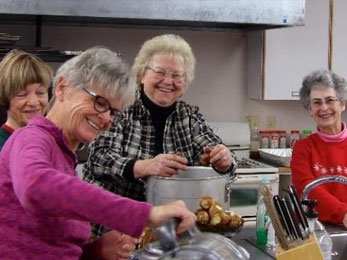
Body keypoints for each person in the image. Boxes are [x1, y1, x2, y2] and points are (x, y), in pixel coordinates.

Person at [0, 46, 196, 259]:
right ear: (62, 88)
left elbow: (49, 248)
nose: (105, 118)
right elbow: (35, 187)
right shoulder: (31, 137)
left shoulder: (64, 158)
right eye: (99, 102)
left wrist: (96, 251)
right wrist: (147, 213)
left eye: (113, 112)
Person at [83, 34, 237, 238]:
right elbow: (98, 159)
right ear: (142, 74)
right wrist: (144, 166)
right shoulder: (121, 107)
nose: (168, 81)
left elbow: (219, 154)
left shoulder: (188, 116)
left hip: (172, 232)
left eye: (177, 76)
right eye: (160, 72)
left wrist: (224, 160)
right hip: (115, 229)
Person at [291, 69, 347, 228]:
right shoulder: (303, 148)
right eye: (316, 102)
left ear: (342, 104)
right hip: (313, 231)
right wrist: (343, 214)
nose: (324, 108)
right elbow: (308, 190)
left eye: (330, 100)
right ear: (310, 110)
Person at [0, 49, 53, 150]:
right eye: (22, 94)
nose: (33, 102)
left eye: (40, 93)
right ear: (4, 96)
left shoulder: (49, 143)